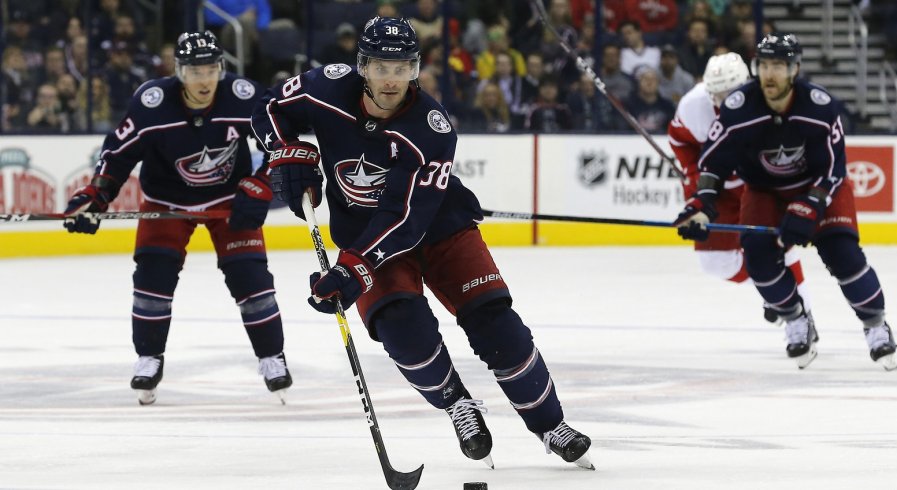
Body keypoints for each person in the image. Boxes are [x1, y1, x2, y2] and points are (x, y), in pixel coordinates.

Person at [250, 17, 594, 469]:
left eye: (402, 67)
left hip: (440, 229)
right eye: (380, 67)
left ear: (415, 68)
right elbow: (267, 110)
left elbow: (405, 217)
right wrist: (285, 151)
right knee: (403, 333)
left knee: (497, 326)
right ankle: (458, 405)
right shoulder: (324, 87)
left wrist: (352, 268)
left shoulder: (431, 128)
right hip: (366, 239)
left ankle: (550, 425)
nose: (391, 79)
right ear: (362, 67)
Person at [62, 31, 293, 405]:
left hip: (227, 202)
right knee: (153, 277)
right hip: (166, 202)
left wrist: (260, 184)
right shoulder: (152, 103)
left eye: (211, 70)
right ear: (178, 71)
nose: (204, 80)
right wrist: (97, 195)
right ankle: (149, 357)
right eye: (195, 71)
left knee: (250, 277)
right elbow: (117, 155)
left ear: (222, 68)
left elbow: (281, 144)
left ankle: (272, 356)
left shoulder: (244, 96)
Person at [674, 34, 897, 371]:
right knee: (759, 259)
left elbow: (835, 170)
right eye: (764, 65)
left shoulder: (820, 107)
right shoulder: (738, 108)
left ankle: (875, 324)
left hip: (819, 188)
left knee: (844, 256)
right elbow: (713, 163)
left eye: (778, 65)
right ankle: (796, 317)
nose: (770, 73)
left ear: (794, 69)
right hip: (764, 191)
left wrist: (808, 206)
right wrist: (701, 203)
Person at [668, 52, 812, 325]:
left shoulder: (772, 103)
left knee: (777, 248)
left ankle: (802, 314)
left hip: (757, 185)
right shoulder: (692, 106)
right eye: (716, 94)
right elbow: (679, 140)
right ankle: (774, 292)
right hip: (718, 188)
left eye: (729, 93)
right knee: (714, 263)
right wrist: (694, 178)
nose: (722, 102)